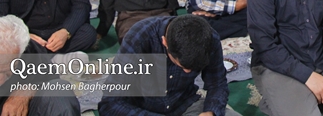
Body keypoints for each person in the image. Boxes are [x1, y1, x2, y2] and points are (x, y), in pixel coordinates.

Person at [98, 14, 241, 116]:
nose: (187, 72)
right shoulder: (140, 37)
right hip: (142, 110)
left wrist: (210, 112)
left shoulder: (209, 38)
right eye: (182, 66)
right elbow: (110, 104)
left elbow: (217, 84)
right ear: (164, 42)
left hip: (184, 105)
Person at [0, 15, 81, 115]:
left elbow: (52, 80)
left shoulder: (27, 49)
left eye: (8, 73)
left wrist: (27, 91)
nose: (0, 80)